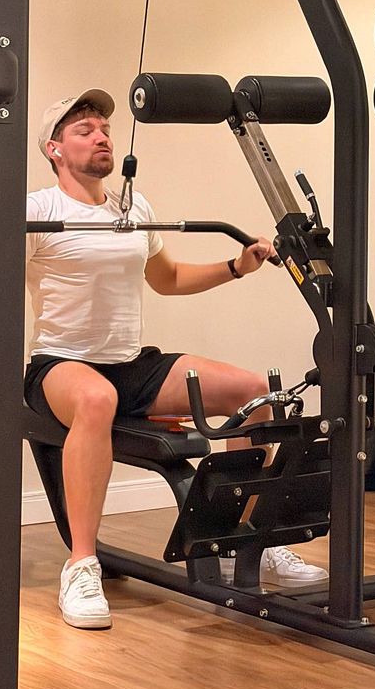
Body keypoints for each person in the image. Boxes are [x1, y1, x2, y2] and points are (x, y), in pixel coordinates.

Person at [25, 88, 329, 630]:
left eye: (105, 129)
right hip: (62, 365)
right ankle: (82, 565)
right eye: (84, 130)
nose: (101, 136)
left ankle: (246, 540)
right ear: (55, 149)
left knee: (254, 391)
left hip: (132, 365)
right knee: (96, 397)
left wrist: (235, 266)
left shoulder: (133, 208)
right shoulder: (37, 210)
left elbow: (165, 279)